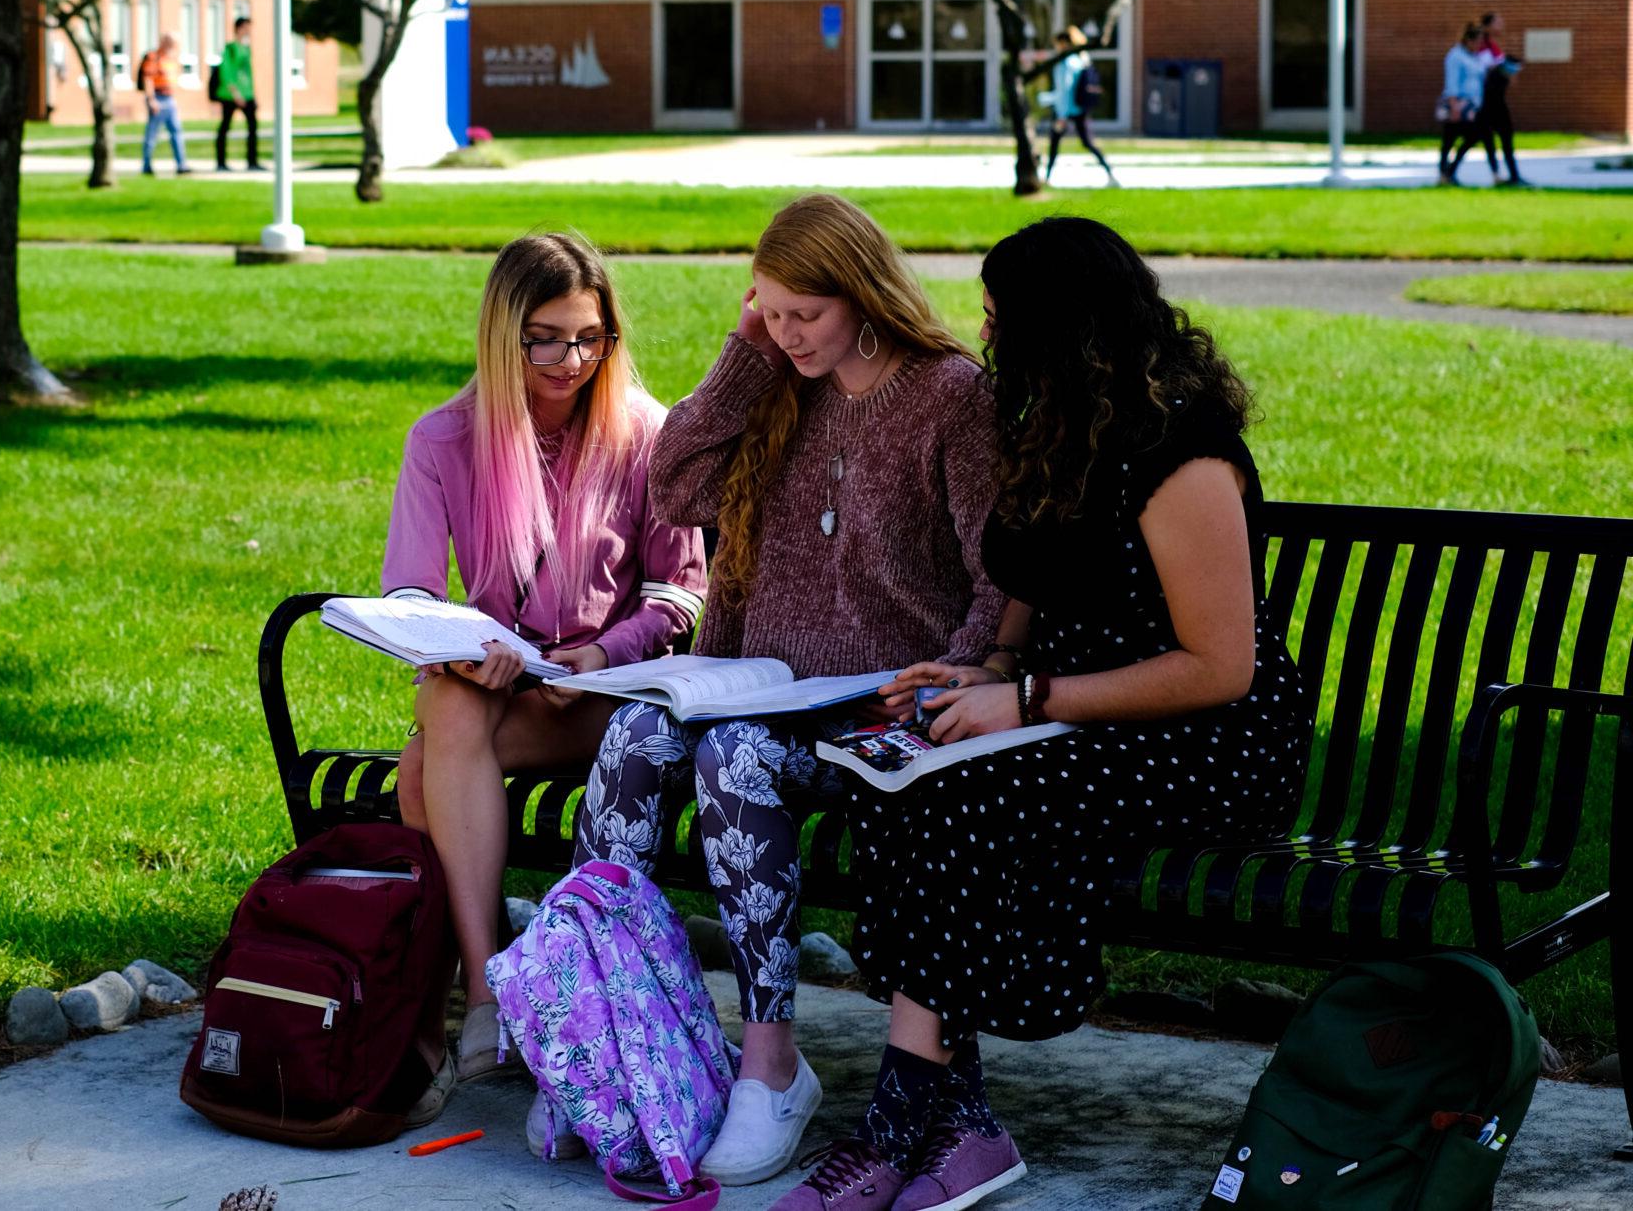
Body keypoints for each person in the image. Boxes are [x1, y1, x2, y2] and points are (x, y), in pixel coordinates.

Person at [778, 217, 1311, 1211]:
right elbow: (1026, 584)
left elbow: (1218, 667)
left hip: (1201, 742)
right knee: (903, 776)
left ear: (1057, 329)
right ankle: (960, 1120)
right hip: (1073, 715)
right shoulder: (1061, 426)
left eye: (998, 322)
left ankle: (902, 1122)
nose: (985, 342)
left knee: (962, 798)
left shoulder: (1182, 454)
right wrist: (975, 670)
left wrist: (1022, 701)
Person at [565, 192, 1006, 1185]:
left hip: (878, 716)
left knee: (733, 758)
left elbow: (997, 571)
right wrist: (746, 351)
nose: (790, 332)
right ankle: (626, 1033)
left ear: (862, 292)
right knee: (635, 740)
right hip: (748, 683)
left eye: (807, 313)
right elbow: (673, 487)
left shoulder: (949, 394)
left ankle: (769, 1063)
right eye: (771, 309)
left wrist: (961, 676)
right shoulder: (778, 379)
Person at [389, 232, 707, 1125]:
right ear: (502, 336)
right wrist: (464, 648)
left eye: (589, 337)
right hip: (501, 684)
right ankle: (500, 997)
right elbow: (410, 595)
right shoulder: (443, 439)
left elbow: (681, 592)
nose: (570, 360)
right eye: (545, 338)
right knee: (445, 696)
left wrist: (604, 654)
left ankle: (478, 998)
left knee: (422, 768)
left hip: (616, 696)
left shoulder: (644, 430)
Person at [1021, 27, 1118, 188]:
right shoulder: (1080, 59)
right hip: (1079, 109)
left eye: (1057, 44)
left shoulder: (1064, 63)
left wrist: (1061, 115)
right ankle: (1109, 172)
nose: (1056, 47)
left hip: (1065, 110)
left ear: (1064, 43)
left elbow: (1064, 91)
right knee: (1088, 143)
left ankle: (1047, 177)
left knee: (1055, 144)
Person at [1438, 21, 1493, 186]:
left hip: (1472, 107)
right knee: (1449, 140)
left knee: (1471, 137)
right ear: (1469, 40)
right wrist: (1454, 106)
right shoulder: (1456, 55)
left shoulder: (1474, 57)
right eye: (1477, 42)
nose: (1479, 45)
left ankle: (1449, 172)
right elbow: (1452, 82)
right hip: (1458, 105)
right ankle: (1444, 174)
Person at [1475, 11, 1526, 187]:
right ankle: (1503, 175)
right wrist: (1504, 70)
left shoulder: (1492, 45)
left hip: (1496, 98)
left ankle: (1512, 175)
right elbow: (1485, 70)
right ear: (1487, 25)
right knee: (1482, 138)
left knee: (1503, 135)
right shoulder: (1481, 45)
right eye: (1498, 22)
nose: (1501, 26)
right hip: (1487, 99)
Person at [136, 34, 192, 177]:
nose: (173, 47)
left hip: (169, 98)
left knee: (176, 132)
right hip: (157, 98)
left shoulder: (171, 59)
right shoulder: (153, 57)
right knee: (152, 134)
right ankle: (146, 165)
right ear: (164, 42)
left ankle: (181, 164)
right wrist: (151, 99)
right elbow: (148, 79)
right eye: (171, 43)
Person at [211, 15, 259, 173]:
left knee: (252, 127)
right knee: (225, 126)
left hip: (247, 94)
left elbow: (248, 74)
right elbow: (226, 72)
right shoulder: (230, 48)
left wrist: (251, 94)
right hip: (231, 95)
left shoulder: (246, 48)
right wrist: (235, 93)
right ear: (239, 28)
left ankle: (252, 161)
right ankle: (221, 162)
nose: (249, 31)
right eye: (246, 27)